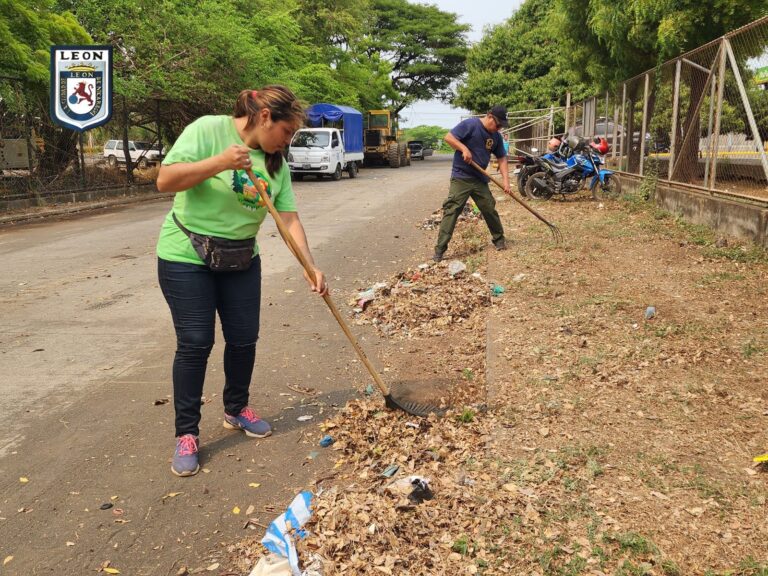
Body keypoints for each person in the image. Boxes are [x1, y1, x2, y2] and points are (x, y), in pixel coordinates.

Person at [155, 85, 328, 477]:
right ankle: (187, 433)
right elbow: (165, 181)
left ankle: (236, 408)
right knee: (196, 342)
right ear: (265, 116)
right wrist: (219, 162)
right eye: (286, 132)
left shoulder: (275, 163)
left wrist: (309, 265)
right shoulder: (208, 130)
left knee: (244, 337)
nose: (287, 142)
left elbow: (288, 219)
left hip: (241, 259)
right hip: (187, 255)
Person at [433, 105, 511, 262]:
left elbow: (502, 158)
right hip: (461, 177)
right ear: (489, 116)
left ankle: (499, 239)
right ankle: (439, 250)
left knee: (489, 208)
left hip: (480, 179)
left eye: (501, 126)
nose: (498, 128)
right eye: (497, 125)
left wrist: (506, 182)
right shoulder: (470, 125)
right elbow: (449, 137)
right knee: (452, 210)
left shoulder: (495, 136)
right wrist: (463, 148)